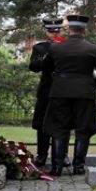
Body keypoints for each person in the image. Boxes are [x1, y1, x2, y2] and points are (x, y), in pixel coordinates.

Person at [42, 14, 96, 176]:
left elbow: (46, 67)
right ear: (84, 30)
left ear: (69, 29)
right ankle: (78, 166)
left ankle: (57, 167)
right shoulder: (93, 49)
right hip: (84, 93)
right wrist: (92, 85)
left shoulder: (55, 48)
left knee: (59, 129)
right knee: (83, 130)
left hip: (60, 92)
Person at [28, 17, 66, 167]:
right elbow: (33, 66)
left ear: (60, 31)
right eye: (51, 31)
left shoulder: (66, 46)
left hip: (63, 90)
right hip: (46, 90)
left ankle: (62, 155)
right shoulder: (40, 48)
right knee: (42, 124)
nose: (53, 33)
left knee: (63, 124)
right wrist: (48, 54)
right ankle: (41, 155)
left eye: (56, 30)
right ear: (46, 31)